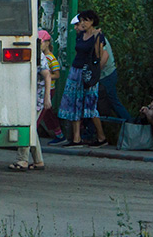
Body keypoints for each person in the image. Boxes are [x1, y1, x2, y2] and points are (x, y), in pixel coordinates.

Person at [53, 11, 103, 147]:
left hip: (87, 72)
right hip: (76, 70)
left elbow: (99, 56)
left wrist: (95, 73)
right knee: (74, 103)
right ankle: (76, 138)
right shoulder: (81, 35)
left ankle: (101, 136)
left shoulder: (98, 36)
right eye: (81, 21)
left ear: (92, 21)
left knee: (90, 105)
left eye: (85, 20)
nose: (82, 23)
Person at [11, 29, 57, 171]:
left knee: (26, 126)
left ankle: (22, 160)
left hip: (36, 97)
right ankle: (38, 161)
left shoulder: (39, 56)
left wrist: (46, 98)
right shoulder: (35, 53)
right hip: (32, 96)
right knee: (32, 128)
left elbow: (47, 75)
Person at [82, 13, 130, 144]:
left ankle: (131, 128)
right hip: (101, 75)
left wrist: (95, 73)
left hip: (106, 75)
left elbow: (105, 56)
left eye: (82, 22)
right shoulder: (86, 37)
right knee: (92, 103)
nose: (79, 25)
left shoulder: (97, 36)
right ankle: (90, 133)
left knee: (112, 101)